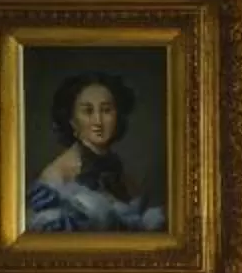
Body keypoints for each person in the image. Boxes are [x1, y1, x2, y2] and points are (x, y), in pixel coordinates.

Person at [27, 72, 166, 233]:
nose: (98, 121)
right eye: (87, 111)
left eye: (106, 110)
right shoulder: (56, 179)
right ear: (71, 121)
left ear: (117, 117)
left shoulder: (123, 177)